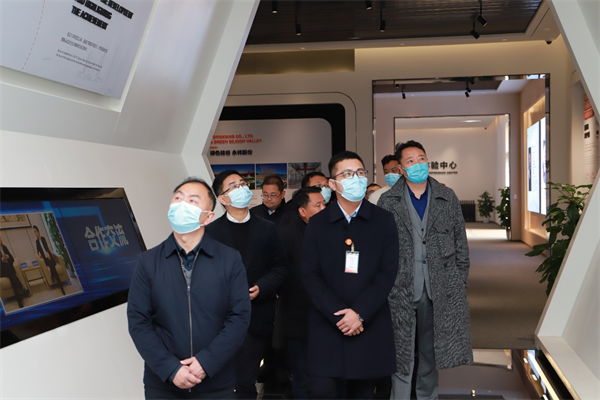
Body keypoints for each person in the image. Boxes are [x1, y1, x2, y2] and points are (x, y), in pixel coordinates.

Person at [127, 177, 251, 400]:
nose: (182, 205)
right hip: (163, 384)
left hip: (216, 383)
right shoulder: (148, 261)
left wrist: (206, 362)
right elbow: (138, 321)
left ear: (209, 216)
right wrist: (170, 368)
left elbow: (239, 318)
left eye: (192, 201)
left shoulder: (229, 260)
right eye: (178, 198)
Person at [378, 140, 473, 400]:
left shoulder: (447, 197)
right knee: (400, 354)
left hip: (438, 289)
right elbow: (380, 249)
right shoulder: (388, 201)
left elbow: (461, 243)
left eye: (421, 158)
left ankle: (427, 397)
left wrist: (458, 280)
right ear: (401, 168)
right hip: (400, 290)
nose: (418, 164)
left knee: (431, 353)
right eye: (410, 161)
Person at [302, 151, 399, 400]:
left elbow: (387, 272)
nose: (355, 178)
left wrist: (359, 313)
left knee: (364, 394)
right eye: (347, 174)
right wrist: (340, 316)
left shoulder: (384, 220)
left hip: (368, 323)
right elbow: (311, 275)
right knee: (322, 391)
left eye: (359, 173)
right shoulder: (318, 223)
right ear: (332, 184)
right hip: (328, 324)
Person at [206, 170, 290, 400]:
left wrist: (262, 287)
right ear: (222, 198)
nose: (241, 188)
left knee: (245, 380)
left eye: (242, 183)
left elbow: (281, 267)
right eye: (233, 186)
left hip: (256, 318)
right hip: (221, 321)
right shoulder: (211, 233)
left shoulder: (267, 228)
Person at [279, 187, 326, 400]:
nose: (324, 208)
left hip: (330, 317)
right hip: (298, 317)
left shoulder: (336, 232)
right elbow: (279, 272)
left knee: (330, 377)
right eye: (318, 205)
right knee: (301, 376)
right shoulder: (287, 235)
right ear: (302, 211)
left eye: (324, 204)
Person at [33, 225, 65, 295]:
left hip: (49, 256)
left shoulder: (43, 239)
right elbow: (38, 250)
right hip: (45, 259)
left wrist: (48, 253)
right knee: (51, 265)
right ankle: (60, 284)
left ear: (38, 232)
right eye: (34, 232)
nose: (35, 233)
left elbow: (46, 247)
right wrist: (39, 253)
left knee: (52, 264)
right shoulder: (36, 242)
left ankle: (53, 277)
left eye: (35, 231)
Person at [0, 236, 27, 308]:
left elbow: (12, 258)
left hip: (9, 270)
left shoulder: (4, 247)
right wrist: (2, 259)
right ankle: (21, 287)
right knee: (8, 268)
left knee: (12, 278)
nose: (0, 239)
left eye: (0, 237)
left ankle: (19, 300)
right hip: (2, 271)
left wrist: (8, 257)